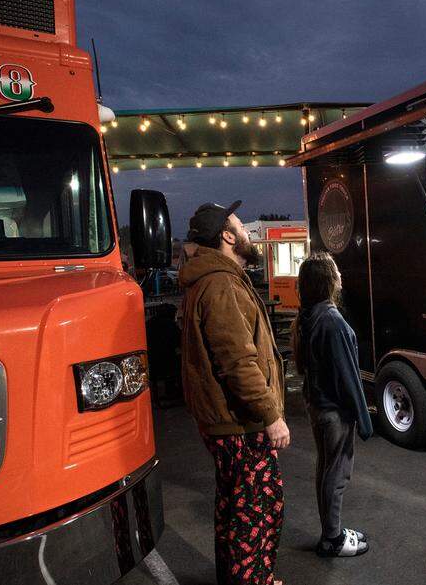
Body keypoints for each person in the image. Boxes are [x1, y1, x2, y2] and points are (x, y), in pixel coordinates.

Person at [178, 200, 288, 585]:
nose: (247, 232)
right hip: (240, 424)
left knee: (234, 510)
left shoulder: (213, 279)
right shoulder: (220, 284)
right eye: (241, 226)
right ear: (227, 236)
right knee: (256, 514)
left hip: (226, 423)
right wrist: (271, 415)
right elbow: (238, 362)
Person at [291, 252, 373, 558]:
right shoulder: (332, 320)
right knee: (337, 475)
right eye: (336, 270)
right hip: (333, 413)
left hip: (317, 407)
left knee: (326, 470)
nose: (340, 273)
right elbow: (347, 376)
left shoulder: (310, 315)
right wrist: (364, 421)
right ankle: (332, 539)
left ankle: (332, 531)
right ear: (329, 280)